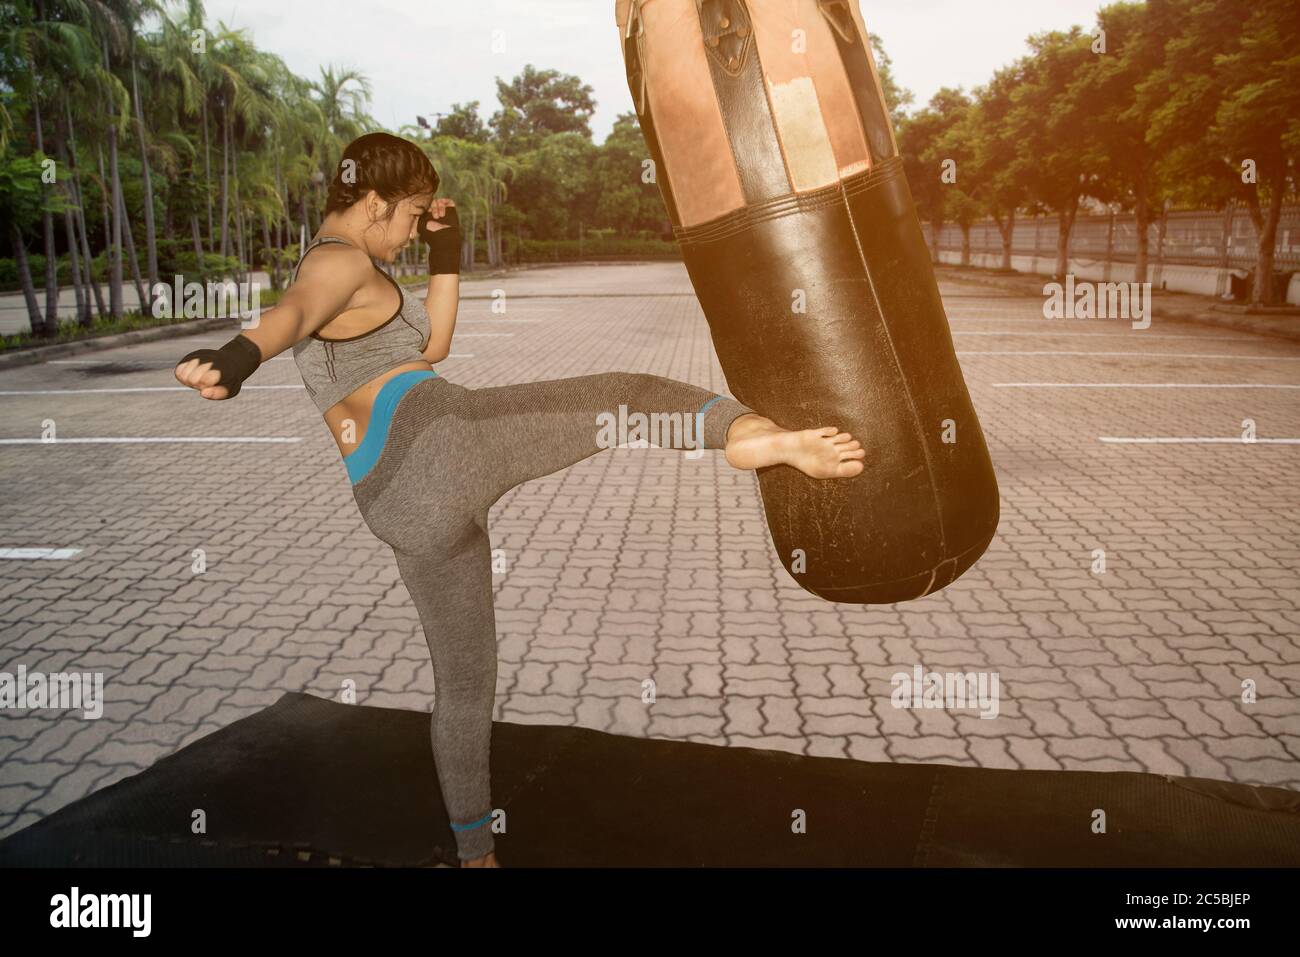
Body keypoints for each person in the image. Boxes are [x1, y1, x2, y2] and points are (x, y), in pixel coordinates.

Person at [173, 131, 865, 867]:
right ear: (372, 204)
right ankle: (752, 438)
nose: (411, 229)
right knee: (620, 397)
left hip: (396, 506)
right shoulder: (338, 264)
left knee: (466, 684)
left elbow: (431, 344)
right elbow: (291, 315)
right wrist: (238, 356)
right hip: (442, 445)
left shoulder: (355, 265)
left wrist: (446, 250)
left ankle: (476, 853)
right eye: (407, 215)